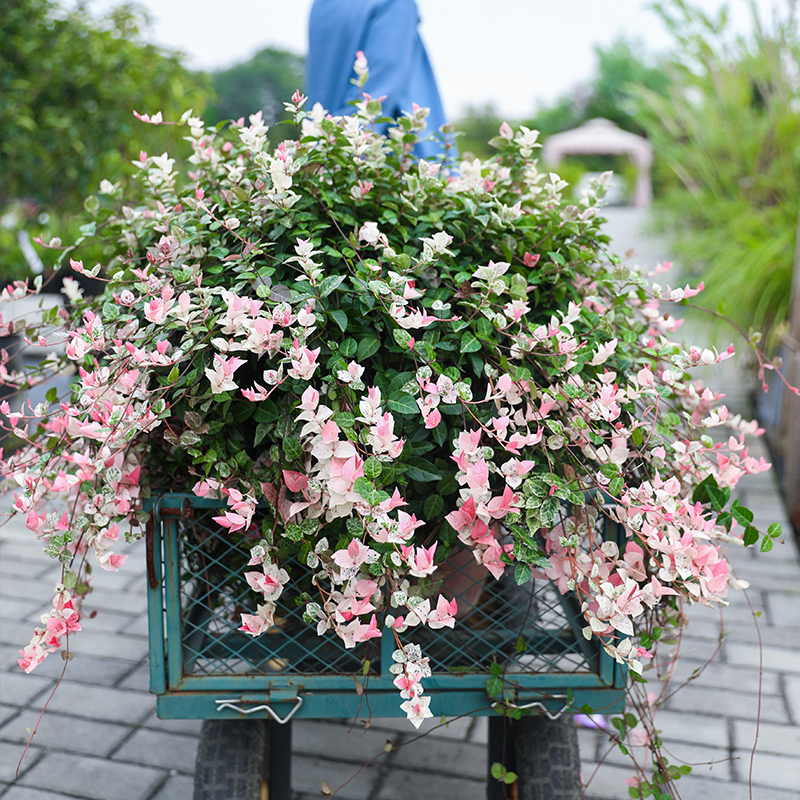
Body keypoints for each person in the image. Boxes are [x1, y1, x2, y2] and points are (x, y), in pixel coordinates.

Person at [306, 0, 454, 161]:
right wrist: (342, 156)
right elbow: (380, 87)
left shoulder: (322, 5)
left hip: (322, 146)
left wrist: (320, 155)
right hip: (387, 161)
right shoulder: (394, 3)